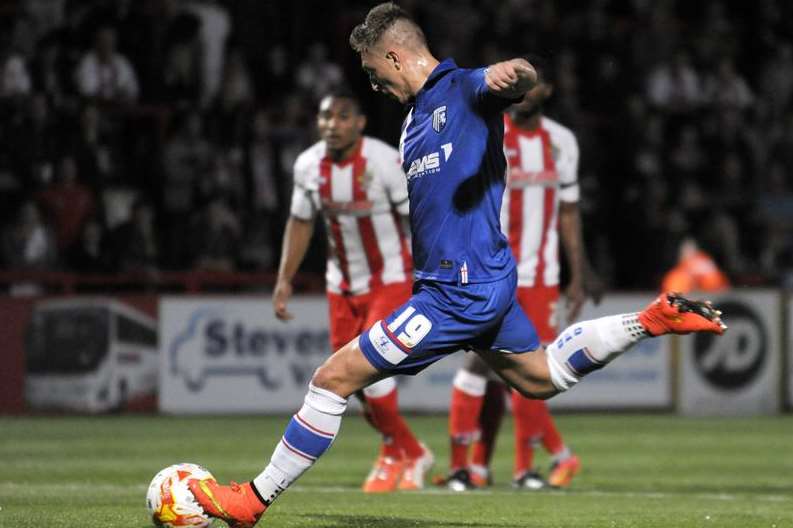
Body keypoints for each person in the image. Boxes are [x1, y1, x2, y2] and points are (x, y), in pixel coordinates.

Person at [186, 4, 726, 526]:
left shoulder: (461, 88)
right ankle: (650, 320)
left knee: (332, 379)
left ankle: (250, 503)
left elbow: (506, 83)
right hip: (478, 280)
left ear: (396, 58)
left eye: (374, 73)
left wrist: (516, 75)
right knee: (540, 377)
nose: (375, 86)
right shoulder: (413, 121)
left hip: (457, 292)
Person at [440, 63, 601, 491]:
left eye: (530, 84)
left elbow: (569, 212)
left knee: (530, 371)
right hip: (490, 269)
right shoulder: (489, 129)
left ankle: (509, 469)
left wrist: (578, 274)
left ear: (545, 89)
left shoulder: (561, 141)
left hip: (542, 275)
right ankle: (466, 467)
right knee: (479, 366)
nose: (522, 91)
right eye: (515, 84)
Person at [271, 88, 432, 493]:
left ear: (359, 123)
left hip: (390, 277)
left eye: (343, 117)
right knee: (349, 381)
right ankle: (408, 449)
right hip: (340, 284)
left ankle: (398, 452)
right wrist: (284, 278)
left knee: (372, 368)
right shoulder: (308, 166)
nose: (332, 125)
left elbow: (417, 219)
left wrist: (428, 273)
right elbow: (301, 222)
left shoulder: (383, 161)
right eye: (326, 117)